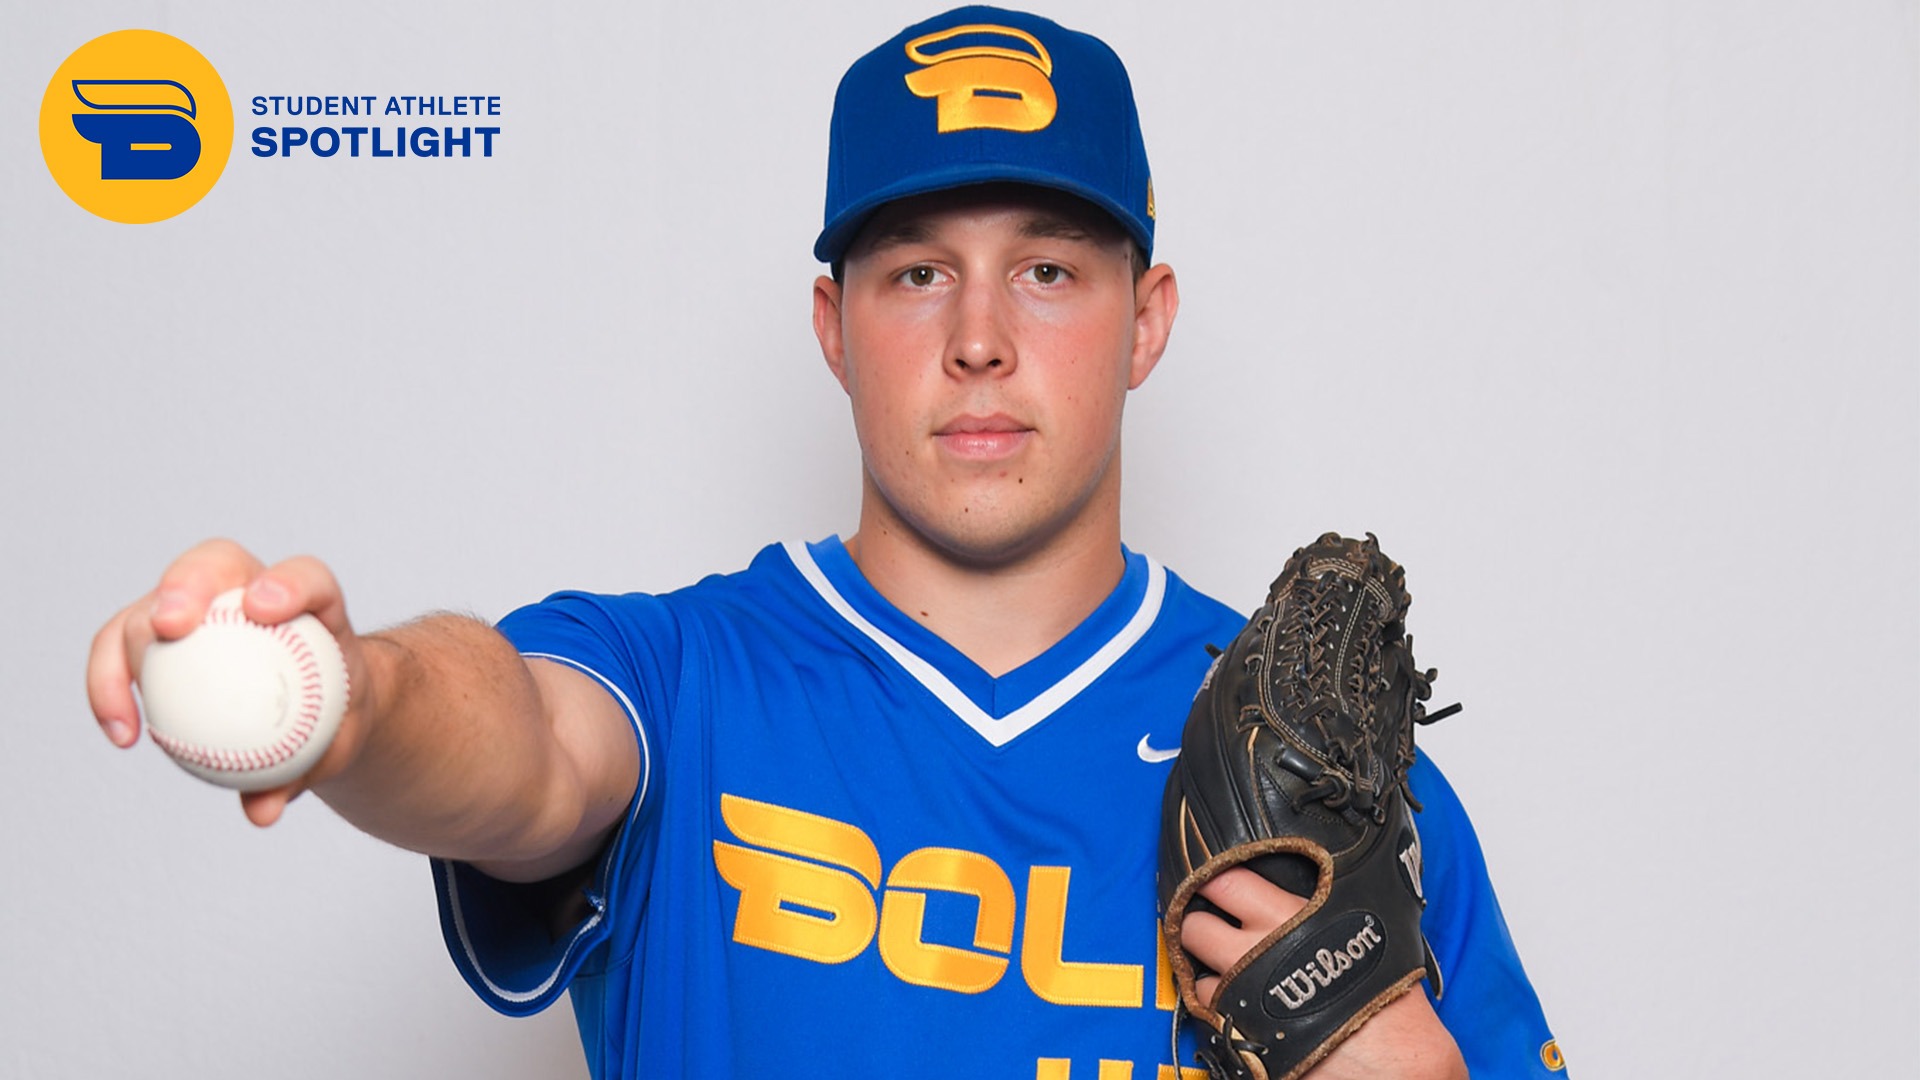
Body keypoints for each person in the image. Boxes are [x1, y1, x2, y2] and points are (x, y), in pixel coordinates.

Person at [86, 7, 1561, 1078]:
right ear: (834, 329)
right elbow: (519, 745)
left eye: (1047, 269)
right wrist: (349, 694)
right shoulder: (684, 683)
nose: (980, 338)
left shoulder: (1346, 782)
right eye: (918, 273)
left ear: (1147, 322)